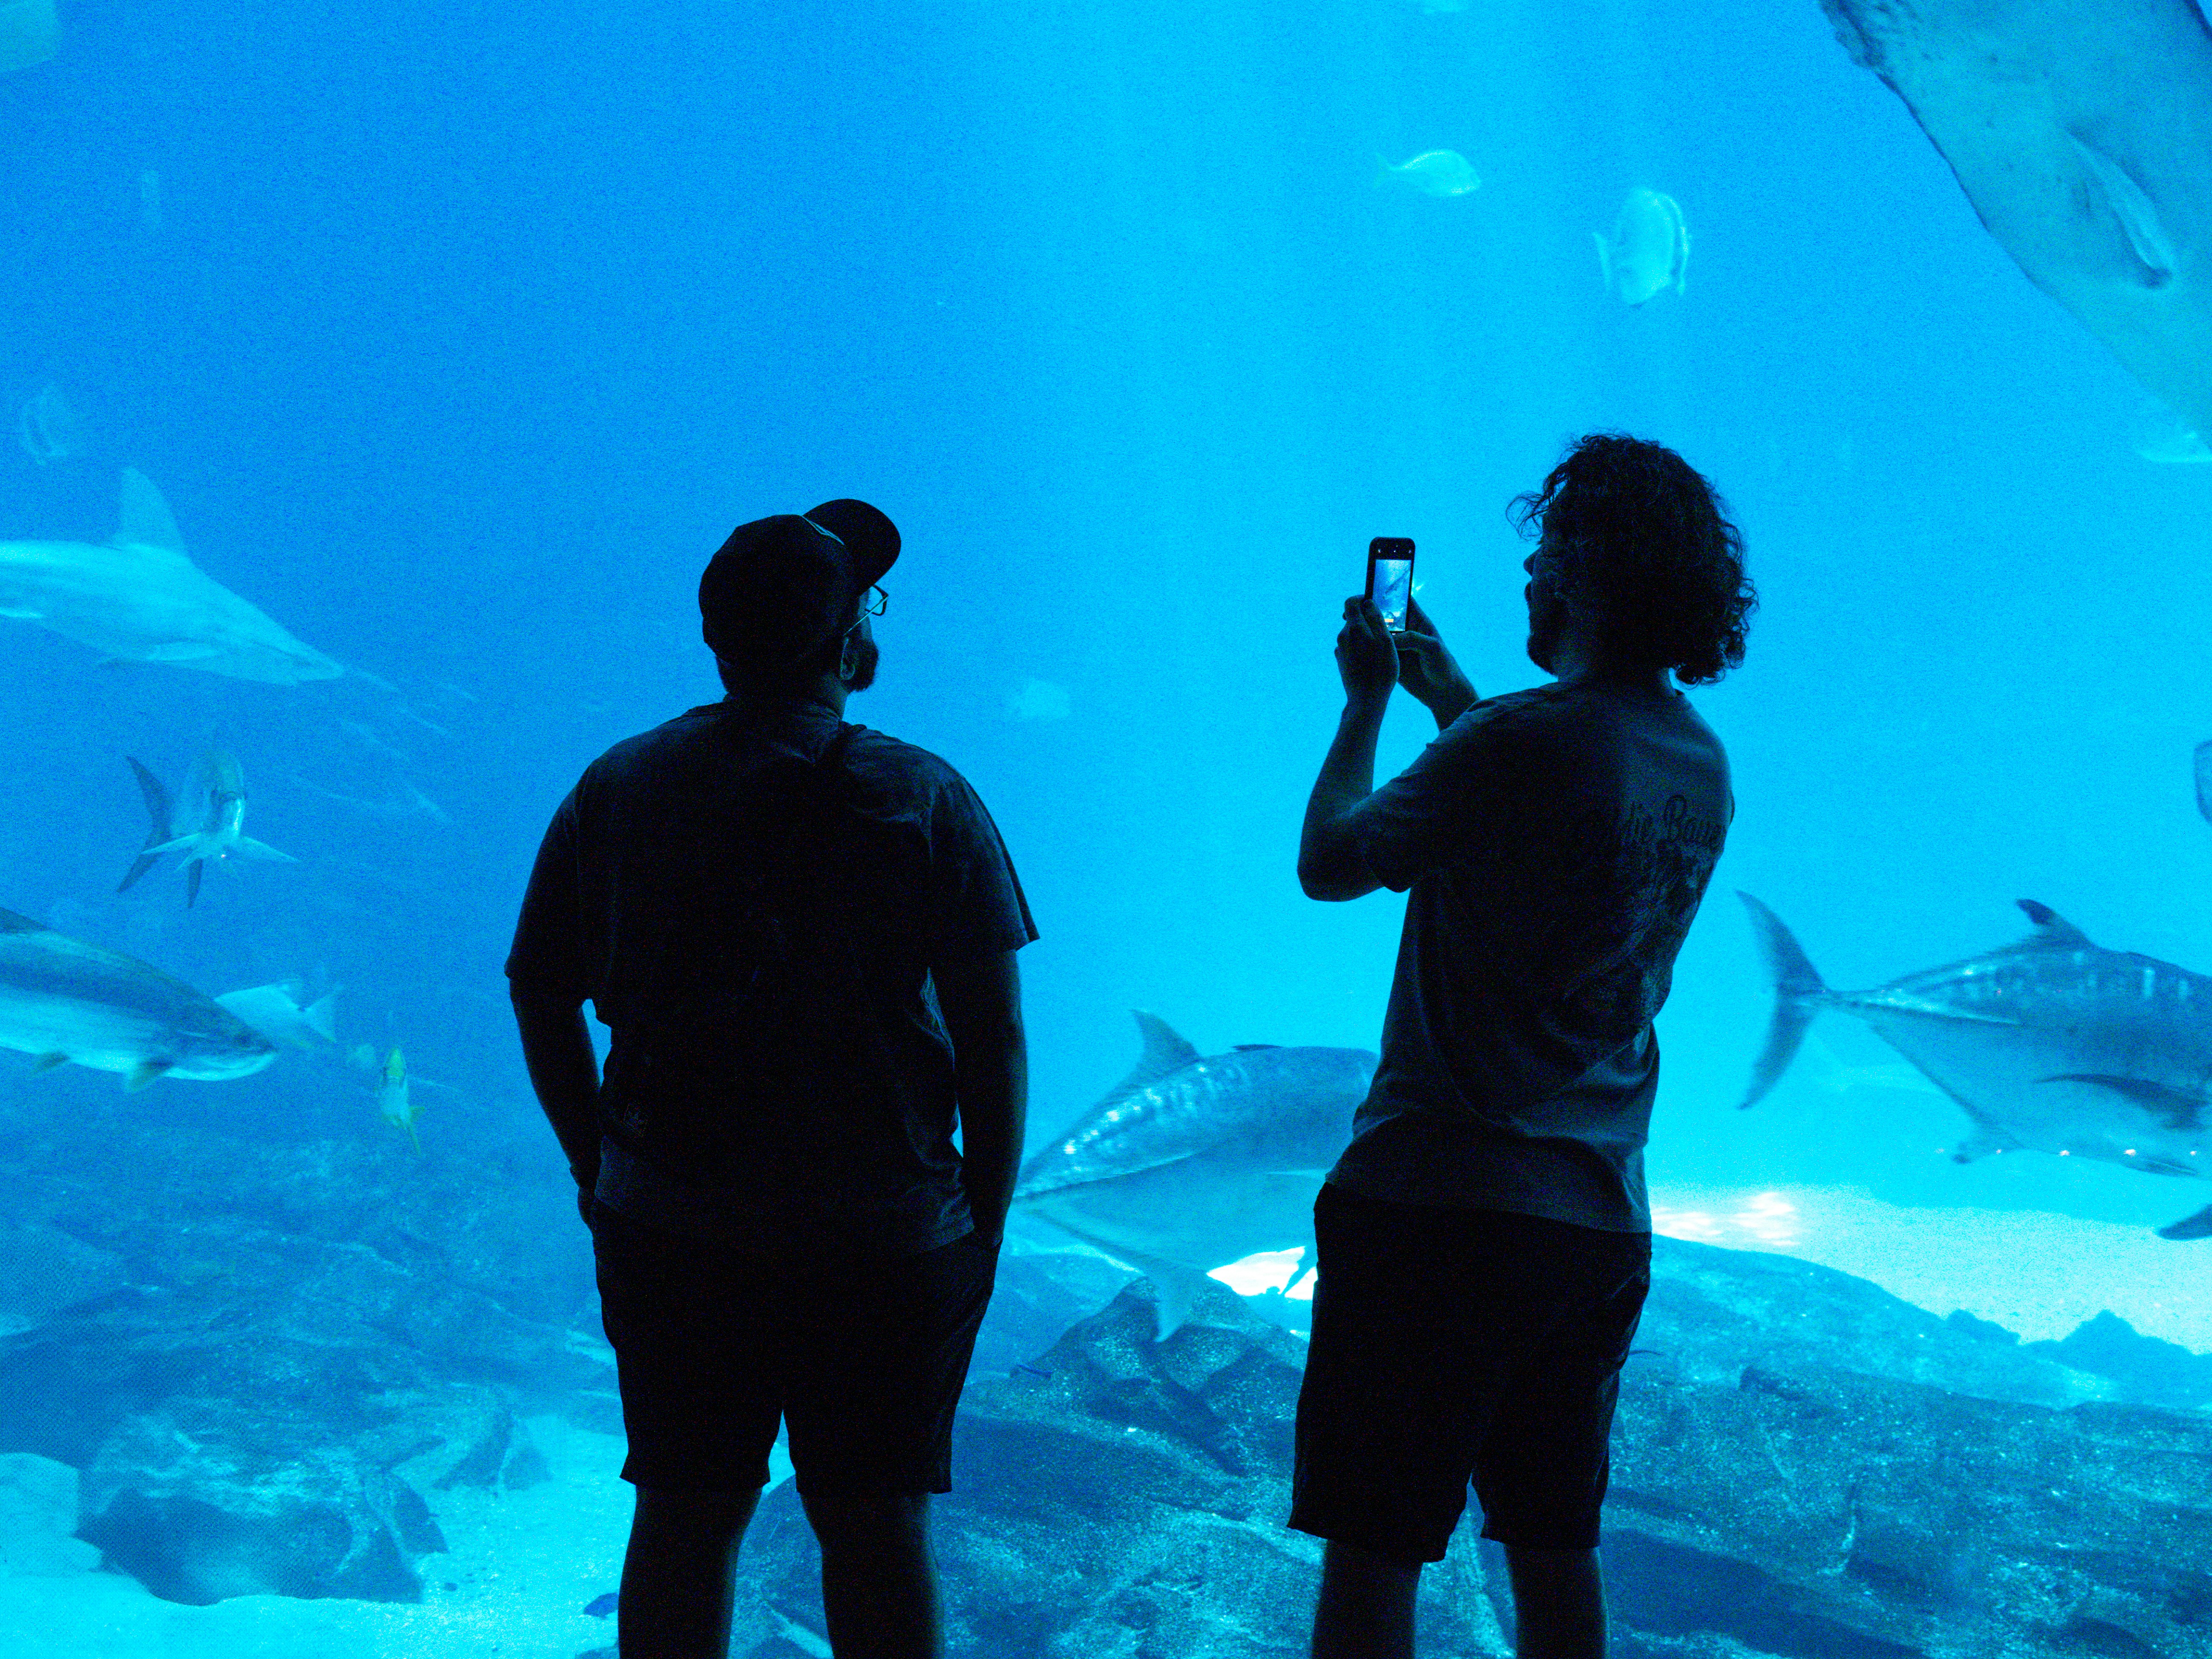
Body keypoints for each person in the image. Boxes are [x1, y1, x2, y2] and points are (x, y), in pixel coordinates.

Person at [507, 501, 1035, 1659]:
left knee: (688, 1513)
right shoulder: (923, 795)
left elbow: (538, 985)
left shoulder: (620, 786)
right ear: (848, 643)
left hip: (672, 1224)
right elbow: (992, 1038)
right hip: (886, 1235)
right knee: (876, 1523)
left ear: (714, 637)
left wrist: (598, 1165)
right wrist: (980, 1227)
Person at [1290, 434, 1752, 1659]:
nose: (1530, 579)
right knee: (1554, 1553)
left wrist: (1368, 704)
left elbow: (1331, 863)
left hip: (1441, 1204)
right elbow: (1555, 817)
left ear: (1597, 569)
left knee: (1377, 1552)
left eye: (1547, 555)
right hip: (1595, 1223)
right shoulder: (1696, 762)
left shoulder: (1519, 743)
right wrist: (1457, 704)